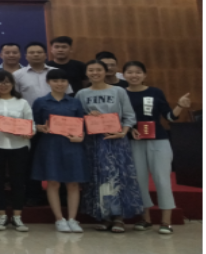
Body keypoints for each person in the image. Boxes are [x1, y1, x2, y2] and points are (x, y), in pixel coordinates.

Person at [123, 61, 191, 235]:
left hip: (158, 140)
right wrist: (129, 130)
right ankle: (145, 219)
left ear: (145, 75)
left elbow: (169, 116)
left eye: (138, 72)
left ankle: (166, 221)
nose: (134, 75)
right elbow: (118, 118)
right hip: (133, 141)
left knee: (162, 179)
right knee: (139, 180)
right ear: (124, 75)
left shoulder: (155, 92)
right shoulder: (120, 93)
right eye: (130, 72)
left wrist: (180, 106)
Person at [76, 59, 143, 232]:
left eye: (99, 70)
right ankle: (104, 215)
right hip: (93, 142)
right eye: (91, 70)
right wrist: (87, 116)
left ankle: (119, 217)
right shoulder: (81, 94)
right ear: (86, 73)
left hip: (116, 140)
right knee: (98, 177)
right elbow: (76, 118)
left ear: (106, 72)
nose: (95, 73)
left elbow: (129, 115)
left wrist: (124, 132)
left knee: (117, 176)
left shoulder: (119, 91)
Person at [14, 42, 74, 208]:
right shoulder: (18, 75)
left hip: (59, 123)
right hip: (30, 122)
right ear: (26, 56)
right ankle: (33, 194)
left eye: (39, 52)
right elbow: (15, 99)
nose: (35, 55)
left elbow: (68, 95)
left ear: (46, 54)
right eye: (32, 52)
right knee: (32, 160)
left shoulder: (56, 73)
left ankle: (62, 195)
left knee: (59, 158)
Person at [31, 68, 88, 233]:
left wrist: (81, 136)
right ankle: (59, 219)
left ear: (67, 83)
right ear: (48, 82)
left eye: (63, 81)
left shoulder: (75, 102)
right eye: (55, 81)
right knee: (53, 182)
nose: (59, 84)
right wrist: (39, 128)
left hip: (72, 146)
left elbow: (82, 125)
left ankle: (72, 219)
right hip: (50, 146)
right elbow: (32, 125)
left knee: (73, 183)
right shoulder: (40, 102)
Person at [0, 71, 35, 232]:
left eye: (7, 82)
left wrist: (29, 132)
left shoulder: (22, 102)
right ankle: (1, 216)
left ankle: (17, 217)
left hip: (19, 146)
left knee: (18, 181)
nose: (3, 85)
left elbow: (31, 124)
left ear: (13, 84)